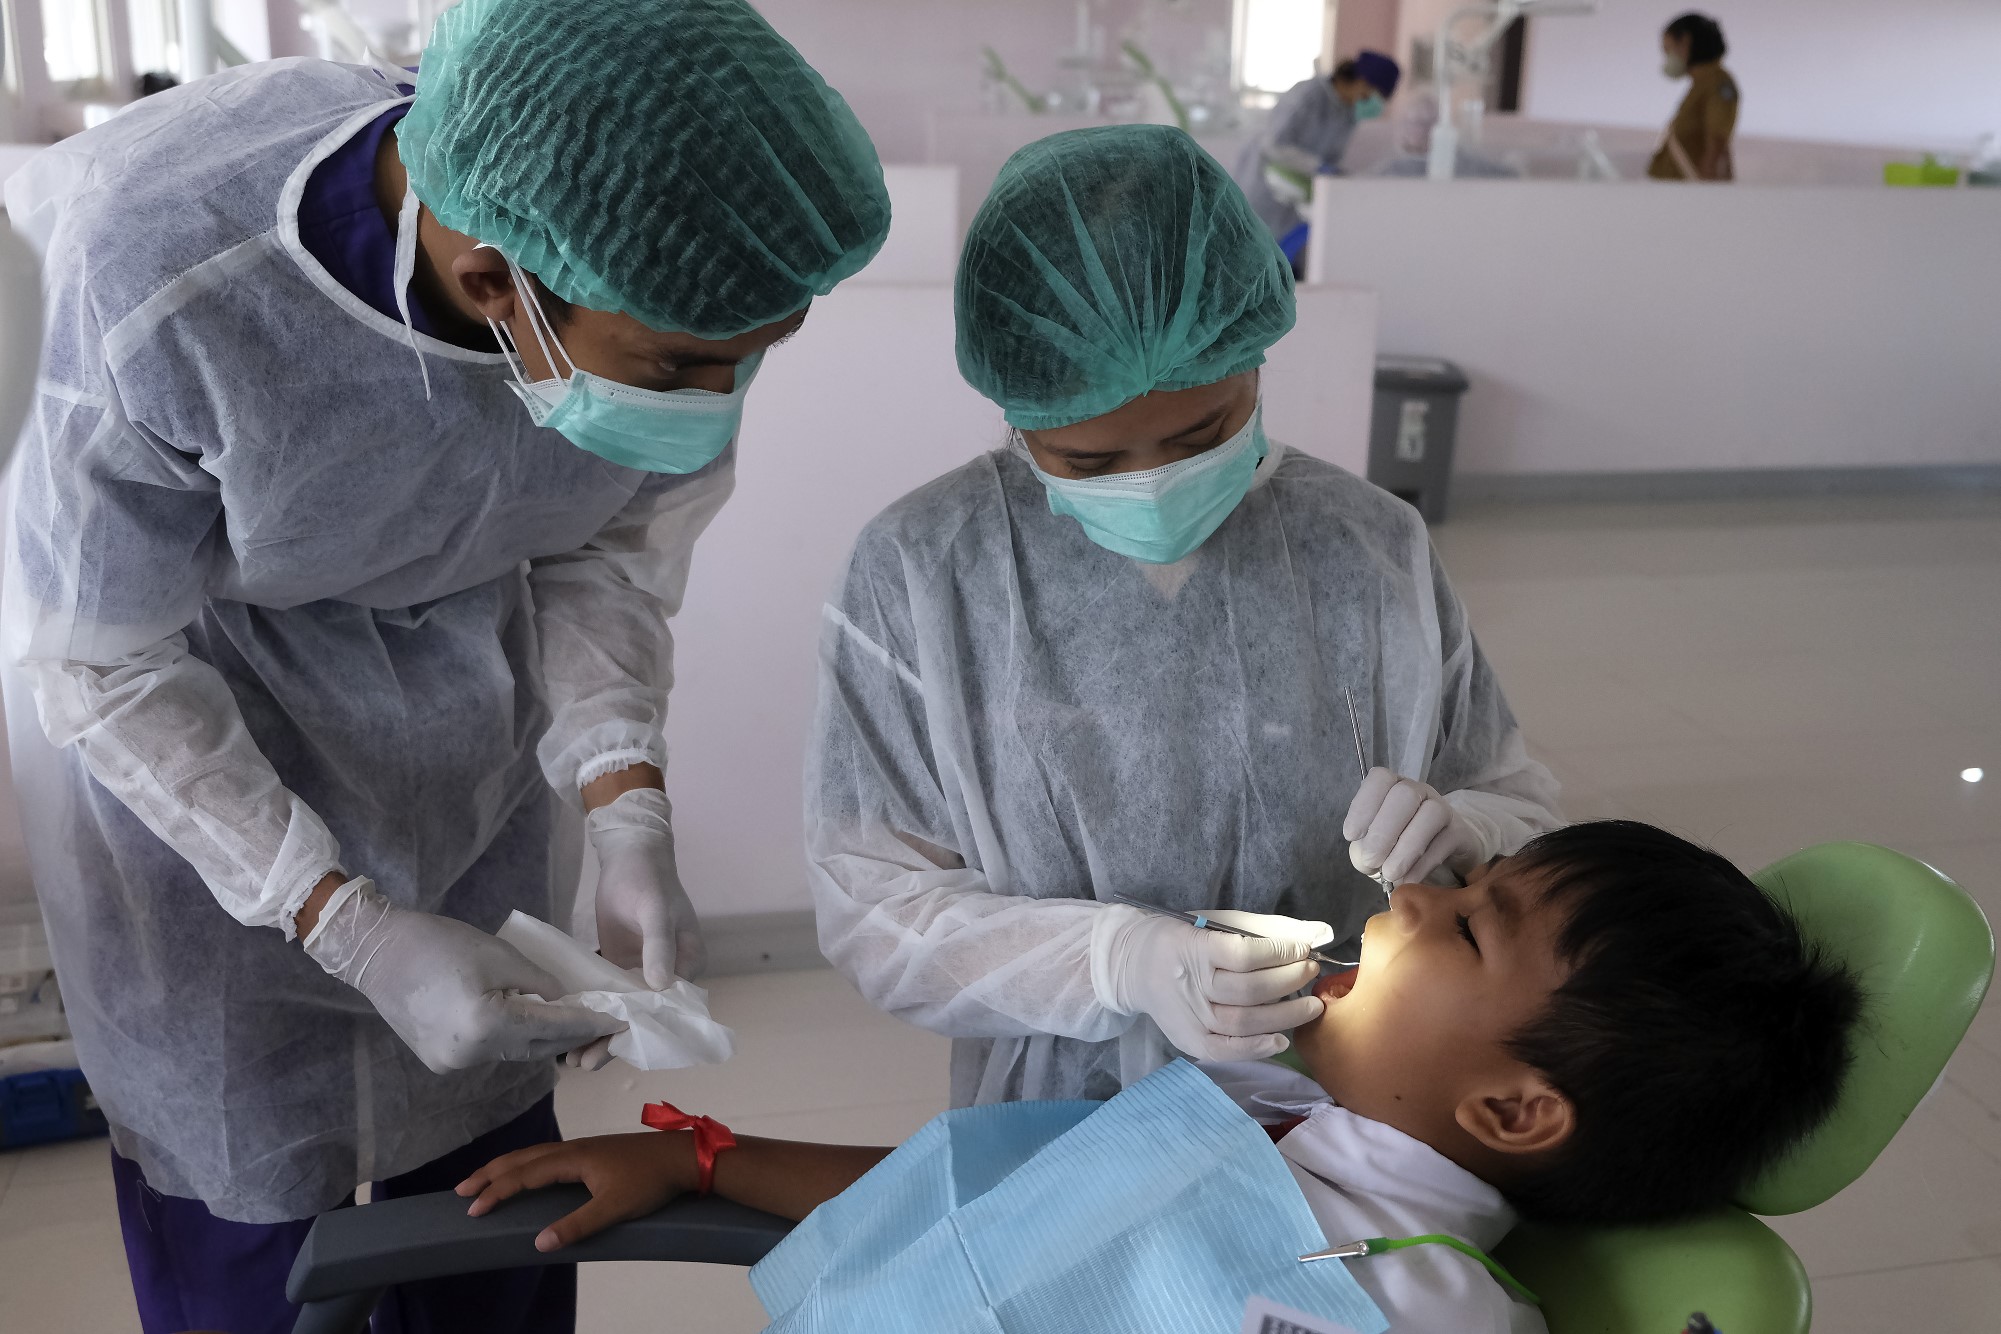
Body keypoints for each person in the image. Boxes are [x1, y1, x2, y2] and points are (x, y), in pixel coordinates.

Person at [0, 0, 888, 1328]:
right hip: (196, 779)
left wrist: (621, 795)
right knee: (249, 1221)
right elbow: (107, 660)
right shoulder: (158, 287)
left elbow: (603, 551)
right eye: (684, 366)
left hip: (464, 755)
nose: (715, 400)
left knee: (493, 1198)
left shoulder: (633, 260)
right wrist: (339, 918)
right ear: (490, 282)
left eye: (751, 360)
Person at [804, 124, 1560, 1111]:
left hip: (1356, 1091)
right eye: (1089, 461)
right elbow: (875, 905)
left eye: (1203, 434)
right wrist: (1122, 960)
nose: (1153, 485)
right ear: (1018, 406)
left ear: (1253, 355)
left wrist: (1465, 830)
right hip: (1063, 1110)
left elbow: (1522, 811)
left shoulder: (1369, 545)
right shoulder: (920, 570)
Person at [457, 820, 1862, 1333]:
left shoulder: (1425, 1302)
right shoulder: (1263, 1115)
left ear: (1509, 1108)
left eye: (1472, 917)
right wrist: (701, 1158)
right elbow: (976, 1198)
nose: (1416, 892)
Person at [1235, 50, 1402, 241]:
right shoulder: (1308, 95)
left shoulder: (1348, 115)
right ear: (1362, 82)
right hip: (1264, 184)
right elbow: (1274, 145)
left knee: (1280, 251)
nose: (1374, 104)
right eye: (1374, 96)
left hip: (1299, 192)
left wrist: (1331, 174)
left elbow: (1331, 158)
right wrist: (1317, 167)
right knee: (1246, 242)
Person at [1649, 12, 1738, 181]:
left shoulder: (1718, 83)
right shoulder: (1701, 84)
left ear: (1685, 41)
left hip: (1690, 193)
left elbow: (1718, 140)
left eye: (1668, 50)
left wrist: (1704, 196)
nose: (1667, 58)